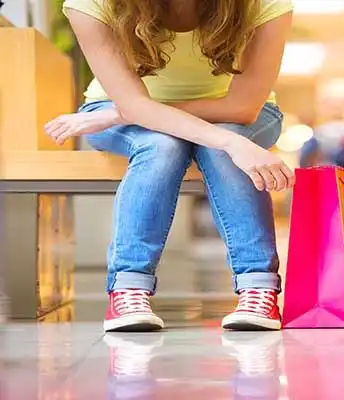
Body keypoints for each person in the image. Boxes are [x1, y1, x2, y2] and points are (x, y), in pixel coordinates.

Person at [46, 0, 294, 332]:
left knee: (224, 141)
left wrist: (129, 113)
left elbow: (243, 107)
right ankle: (129, 287)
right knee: (163, 144)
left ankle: (258, 287)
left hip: (236, 113)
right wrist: (227, 142)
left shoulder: (263, 3)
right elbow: (134, 104)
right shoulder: (92, 3)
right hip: (117, 109)